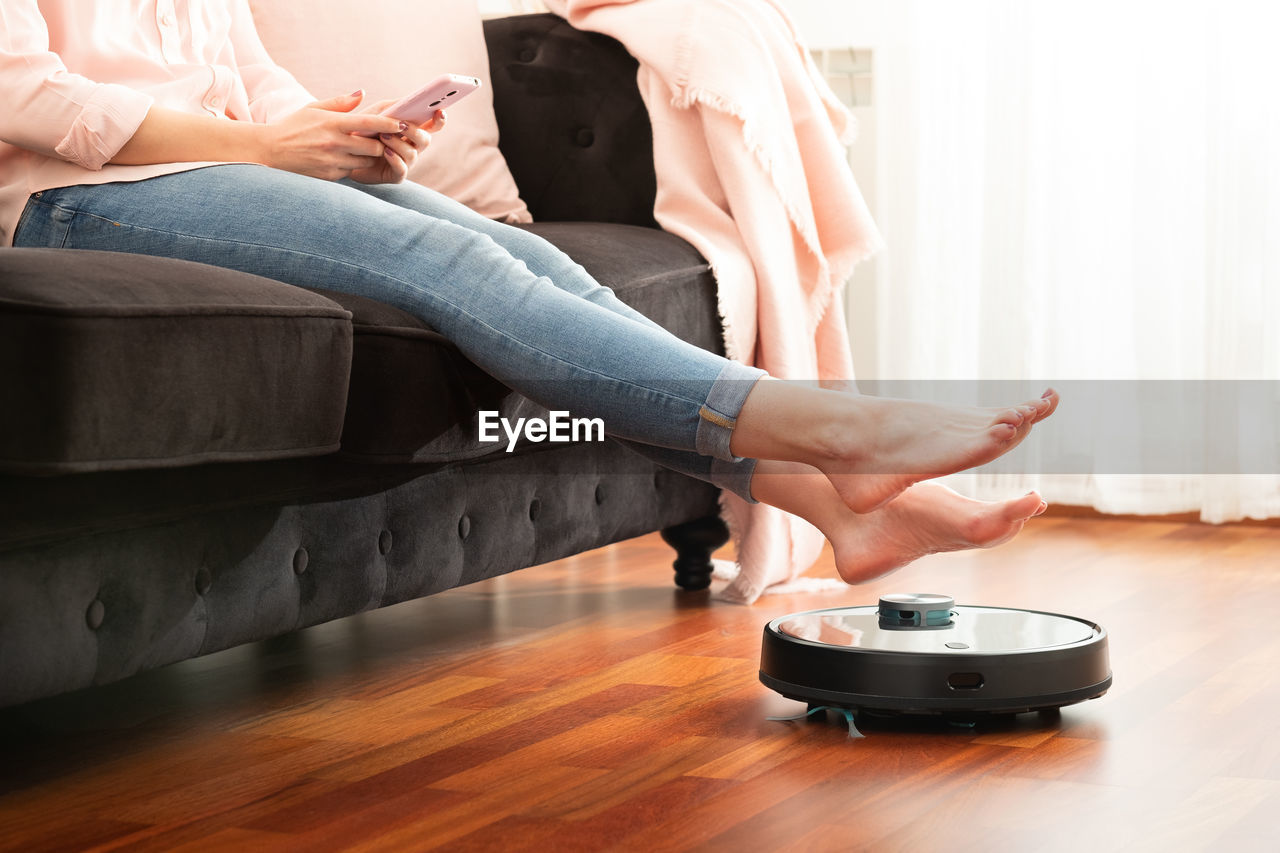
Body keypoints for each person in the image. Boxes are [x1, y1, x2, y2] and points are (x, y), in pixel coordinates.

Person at [0, 0, 1058, 584]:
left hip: (231, 167)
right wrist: (264, 144)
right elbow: (29, 95)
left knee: (539, 268)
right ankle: (831, 430)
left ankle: (825, 502)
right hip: (75, 198)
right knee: (451, 270)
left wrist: (343, 130)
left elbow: (249, 74)